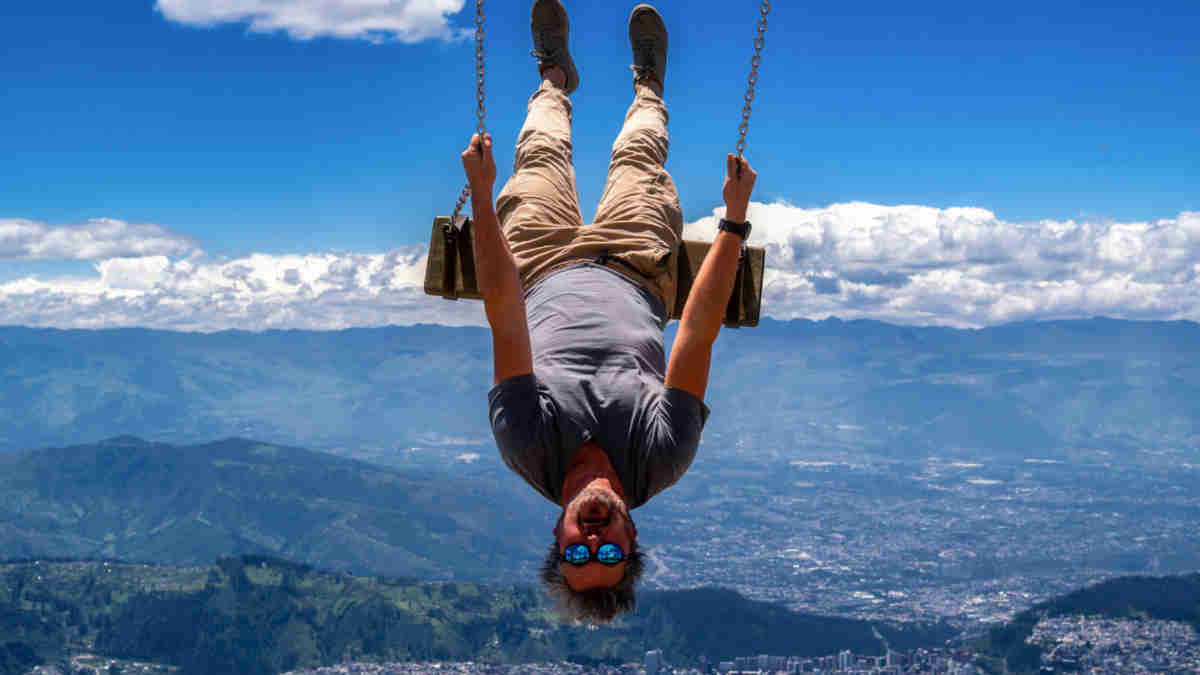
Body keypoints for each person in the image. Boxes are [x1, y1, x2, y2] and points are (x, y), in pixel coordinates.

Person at [459, 0, 757, 623]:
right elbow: (695, 341)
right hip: (637, 266)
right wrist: (731, 221)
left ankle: (554, 78)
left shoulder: (527, 444)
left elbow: (507, 317)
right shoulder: (661, 455)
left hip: (539, 264)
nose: (595, 535)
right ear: (634, 541)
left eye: (579, 552)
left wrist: (484, 201)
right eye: (610, 550)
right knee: (640, 157)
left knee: (539, 152)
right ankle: (648, 84)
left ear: (557, 539)